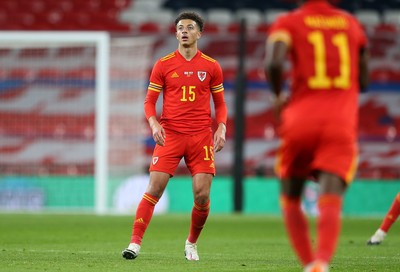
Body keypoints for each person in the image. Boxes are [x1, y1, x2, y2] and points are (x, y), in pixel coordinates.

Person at [264, 0, 369, 271]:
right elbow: (365, 79)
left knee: (291, 196)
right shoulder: (351, 23)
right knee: (330, 196)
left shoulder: (289, 22)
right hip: (339, 123)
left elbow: (274, 63)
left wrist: (277, 96)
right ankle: (321, 261)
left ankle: (308, 262)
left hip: (300, 119)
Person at [122, 11, 227, 261]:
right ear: (176, 33)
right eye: (180, 27)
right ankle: (134, 243)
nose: (184, 31)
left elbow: (220, 104)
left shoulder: (211, 66)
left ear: (199, 33)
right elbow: (149, 101)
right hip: (171, 135)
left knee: (202, 194)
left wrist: (221, 126)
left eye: (190, 27)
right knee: (154, 189)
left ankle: (191, 242)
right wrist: (154, 123)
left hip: (201, 136)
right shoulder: (164, 64)